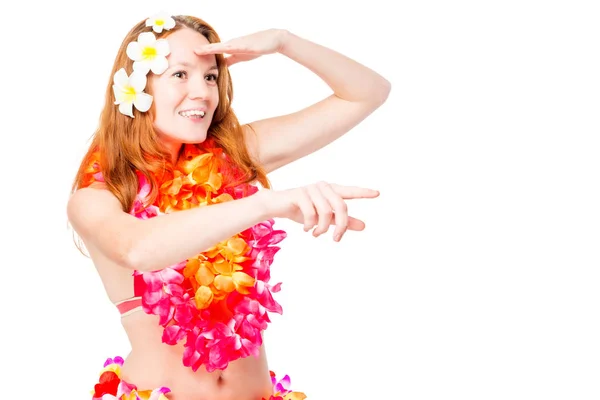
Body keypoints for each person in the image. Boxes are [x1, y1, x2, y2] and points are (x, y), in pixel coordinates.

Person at [67, 11, 391, 400]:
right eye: (180, 74)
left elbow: (368, 92)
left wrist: (285, 42)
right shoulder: (97, 196)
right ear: (136, 87)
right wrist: (265, 204)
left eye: (210, 76)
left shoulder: (232, 158)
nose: (203, 92)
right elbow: (139, 248)